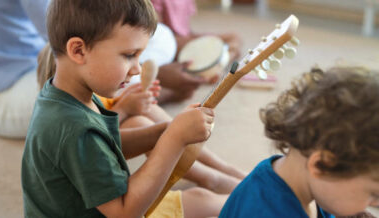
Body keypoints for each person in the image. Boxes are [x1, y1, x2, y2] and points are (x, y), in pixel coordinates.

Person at [22, 0, 228, 217]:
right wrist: (173, 141)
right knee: (209, 206)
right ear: (78, 51)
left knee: (202, 199)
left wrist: (166, 130)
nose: (137, 69)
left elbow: (105, 147)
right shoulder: (74, 129)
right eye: (129, 55)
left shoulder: (66, 94)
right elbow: (124, 212)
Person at [0, 0, 203, 139]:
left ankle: (134, 94)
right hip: (0, 93)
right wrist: (157, 73)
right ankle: (145, 88)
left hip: (41, 56)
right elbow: (60, 31)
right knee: (126, 112)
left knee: (161, 36)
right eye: (129, 57)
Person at [37, 45, 246, 194]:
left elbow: (107, 105)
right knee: (140, 122)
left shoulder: (91, 85)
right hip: (103, 139)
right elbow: (93, 131)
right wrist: (125, 109)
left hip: (112, 126)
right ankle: (210, 178)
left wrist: (134, 99)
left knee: (149, 112)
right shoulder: (65, 113)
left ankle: (222, 167)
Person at [219, 66, 379, 218]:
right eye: (373, 194)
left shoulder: (302, 181)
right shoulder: (267, 212)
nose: (376, 203)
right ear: (322, 165)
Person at [143, 0, 242, 58]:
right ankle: (221, 57)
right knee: (204, 47)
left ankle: (222, 56)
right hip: (167, 42)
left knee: (233, 37)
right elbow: (156, 33)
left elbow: (185, 29)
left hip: (185, 38)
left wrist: (198, 39)